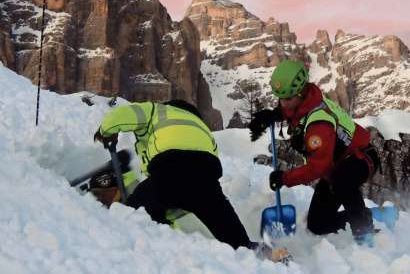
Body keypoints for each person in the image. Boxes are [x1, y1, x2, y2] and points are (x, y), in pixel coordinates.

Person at [94, 99, 286, 259]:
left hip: (169, 169)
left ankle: (135, 221)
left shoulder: (157, 111)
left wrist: (106, 130)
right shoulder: (202, 127)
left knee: (135, 210)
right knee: (223, 220)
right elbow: (212, 153)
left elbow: (126, 113)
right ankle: (258, 251)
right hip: (205, 176)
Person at [249, 60, 380, 245]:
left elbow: (318, 167)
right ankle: (366, 215)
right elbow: (293, 110)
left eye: (287, 99)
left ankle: (364, 230)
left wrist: (285, 178)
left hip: (361, 159)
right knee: (318, 224)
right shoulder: (306, 100)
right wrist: (273, 115)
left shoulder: (319, 123)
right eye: (280, 99)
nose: (283, 103)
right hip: (336, 166)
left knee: (342, 182)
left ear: (301, 92)